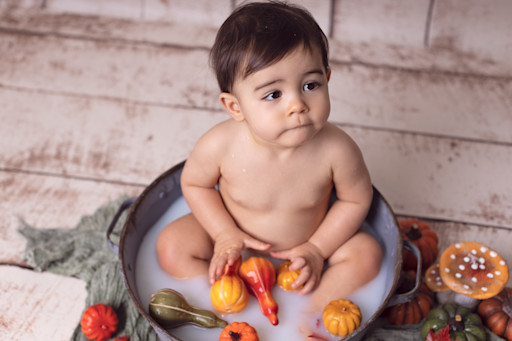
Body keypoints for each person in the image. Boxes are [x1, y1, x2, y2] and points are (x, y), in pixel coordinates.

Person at [156, 1, 382, 317]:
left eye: (310, 85)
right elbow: (195, 184)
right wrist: (223, 234)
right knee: (171, 245)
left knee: (368, 254)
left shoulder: (337, 150)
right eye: (274, 94)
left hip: (306, 247)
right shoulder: (220, 145)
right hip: (234, 242)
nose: (298, 105)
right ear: (235, 107)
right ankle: (216, 307)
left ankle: (312, 315)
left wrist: (318, 249)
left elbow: (356, 201)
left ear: (327, 79)